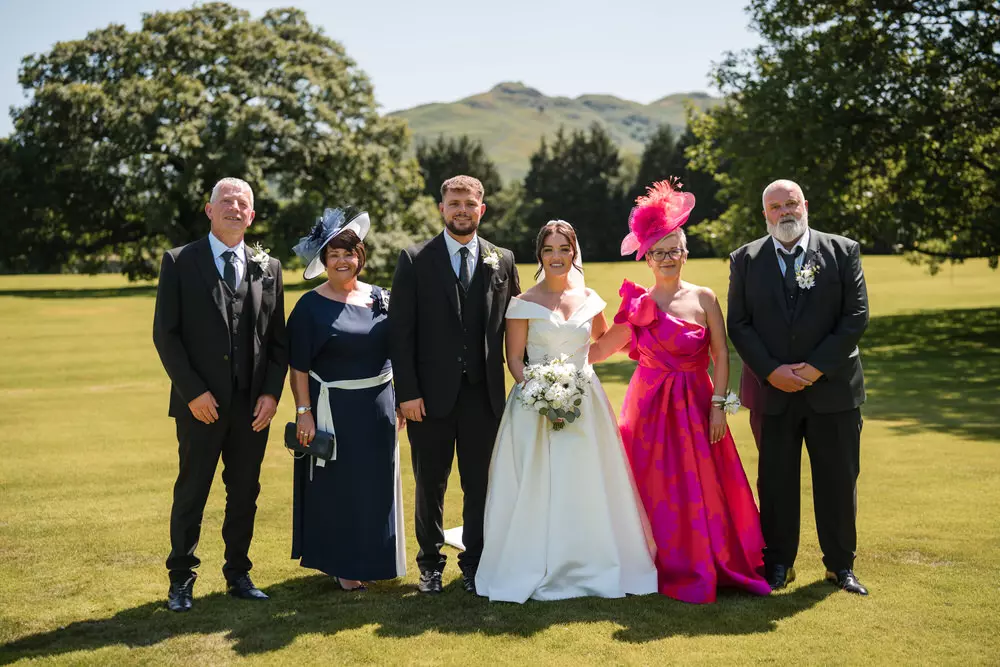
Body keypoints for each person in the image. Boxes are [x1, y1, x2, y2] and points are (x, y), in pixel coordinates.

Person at [589, 180, 770, 604]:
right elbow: (598, 350)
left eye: (675, 250)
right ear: (647, 257)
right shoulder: (637, 304)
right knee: (655, 485)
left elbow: (722, 356)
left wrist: (719, 406)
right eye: (659, 251)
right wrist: (572, 314)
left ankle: (710, 559)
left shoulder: (705, 298)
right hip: (649, 408)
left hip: (696, 404)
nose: (668, 258)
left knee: (704, 484)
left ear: (685, 254)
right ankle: (655, 560)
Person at [475, 220, 658, 603]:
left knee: (588, 480)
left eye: (563, 249)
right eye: (549, 250)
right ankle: (533, 559)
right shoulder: (522, 303)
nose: (556, 257)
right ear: (539, 255)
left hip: (585, 402)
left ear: (574, 253)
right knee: (537, 482)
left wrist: (632, 316)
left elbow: (600, 345)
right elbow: (514, 359)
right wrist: (539, 392)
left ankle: (592, 559)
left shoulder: (589, 298)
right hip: (533, 405)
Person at [727, 179, 869, 596]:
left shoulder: (843, 251)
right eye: (776, 206)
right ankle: (778, 564)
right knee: (775, 483)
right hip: (771, 394)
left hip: (834, 391)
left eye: (791, 204)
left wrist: (814, 369)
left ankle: (840, 566)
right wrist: (771, 371)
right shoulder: (745, 259)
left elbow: (855, 316)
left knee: (839, 481)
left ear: (805, 205)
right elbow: (739, 323)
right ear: (765, 213)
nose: (785, 212)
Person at [152, 177, 288, 612]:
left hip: (252, 408)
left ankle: (239, 574)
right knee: (192, 491)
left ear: (251, 215)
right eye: (225, 201)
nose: (234, 207)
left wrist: (270, 394)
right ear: (209, 211)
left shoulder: (269, 266)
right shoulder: (179, 261)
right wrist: (193, 393)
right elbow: (166, 336)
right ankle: (181, 580)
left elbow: (277, 340)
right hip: (200, 407)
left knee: (245, 491)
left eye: (242, 203)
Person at [388, 175, 521, 594]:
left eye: (470, 203)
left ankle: (475, 563)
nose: (462, 209)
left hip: (484, 395)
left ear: (482, 209)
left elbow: (517, 325)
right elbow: (399, 332)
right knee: (431, 483)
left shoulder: (503, 259)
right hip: (428, 397)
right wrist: (406, 392)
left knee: (480, 484)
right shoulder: (414, 259)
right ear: (442, 209)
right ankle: (429, 564)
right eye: (454, 203)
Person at [286, 208, 406, 591]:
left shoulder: (381, 297)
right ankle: (343, 565)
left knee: (376, 486)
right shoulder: (309, 306)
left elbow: (397, 351)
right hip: (332, 409)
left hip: (379, 408)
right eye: (334, 254)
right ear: (323, 261)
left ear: (360, 257)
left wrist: (401, 399)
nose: (342, 260)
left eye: (349, 253)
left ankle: (374, 557)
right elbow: (298, 367)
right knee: (338, 489)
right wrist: (303, 412)